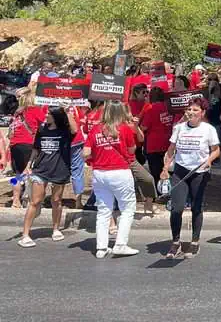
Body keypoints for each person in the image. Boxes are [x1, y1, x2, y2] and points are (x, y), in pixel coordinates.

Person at [160, 98, 221, 259]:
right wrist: (165, 168)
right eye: (189, 109)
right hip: (180, 171)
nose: (191, 113)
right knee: (177, 208)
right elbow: (171, 150)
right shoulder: (179, 128)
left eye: (195, 110)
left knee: (196, 207)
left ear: (202, 113)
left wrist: (209, 160)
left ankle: (195, 241)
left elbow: (216, 150)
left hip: (199, 172)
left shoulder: (208, 129)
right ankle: (175, 242)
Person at [83, 101, 142, 258]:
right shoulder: (124, 129)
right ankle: (120, 244)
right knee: (127, 208)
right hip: (120, 172)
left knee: (103, 210)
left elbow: (85, 152)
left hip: (100, 173)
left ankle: (101, 247)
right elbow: (132, 149)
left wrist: (96, 156)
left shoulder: (96, 129)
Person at [18, 107, 79, 248]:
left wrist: (68, 110)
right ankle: (25, 234)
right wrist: (29, 165)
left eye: (49, 114)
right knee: (35, 201)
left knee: (56, 200)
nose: (46, 115)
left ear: (56, 116)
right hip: (41, 169)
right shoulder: (42, 129)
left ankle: (56, 229)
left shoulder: (64, 131)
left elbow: (75, 130)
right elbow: (35, 149)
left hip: (60, 169)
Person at [7, 88, 45, 208]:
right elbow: (46, 122)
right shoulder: (34, 110)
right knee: (31, 172)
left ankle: (15, 201)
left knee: (18, 174)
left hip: (15, 145)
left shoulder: (17, 113)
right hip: (29, 144)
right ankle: (29, 199)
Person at [139, 87, 172, 194]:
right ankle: (167, 191)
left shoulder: (151, 109)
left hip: (154, 145)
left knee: (156, 171)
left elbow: (144, 127)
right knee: (167, 169)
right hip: (168, 143)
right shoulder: (169, 107)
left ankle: (159, 193)